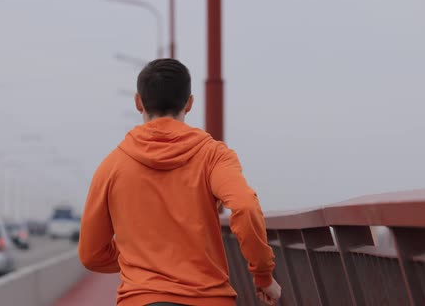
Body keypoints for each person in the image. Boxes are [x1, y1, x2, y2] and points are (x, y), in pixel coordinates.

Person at [78, 58, 281, 306]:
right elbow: (245, 206)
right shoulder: (213, 155)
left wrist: (140, 258)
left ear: (138, 102)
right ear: (190, 103)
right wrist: (263, 276)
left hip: (140, 299)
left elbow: (91, 254)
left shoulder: (112, 165)